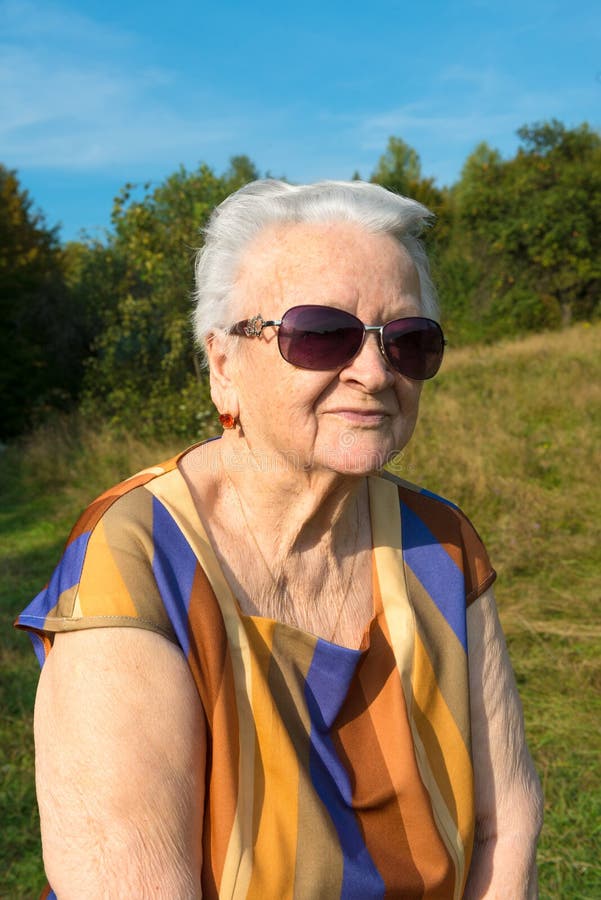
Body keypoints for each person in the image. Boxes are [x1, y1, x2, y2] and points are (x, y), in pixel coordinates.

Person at [17, 180, 543, 899]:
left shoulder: (441, 543)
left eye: (408, 341)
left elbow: (503, 822)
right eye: (321, 334)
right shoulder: (137, 558)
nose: (373, 371)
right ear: (223, 365)